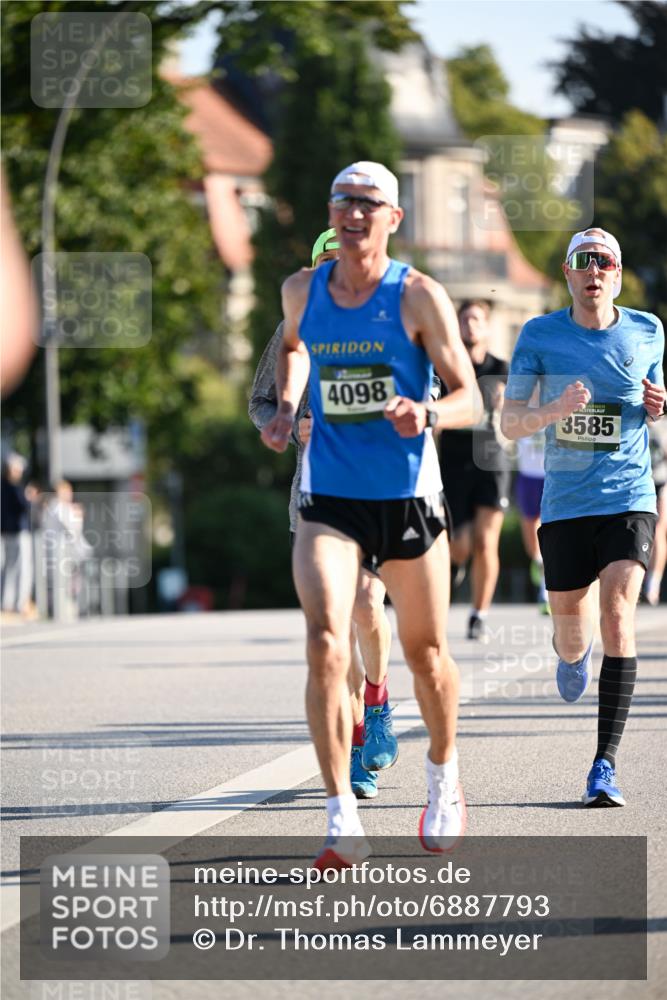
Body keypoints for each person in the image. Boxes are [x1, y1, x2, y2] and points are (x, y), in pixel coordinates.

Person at [260, 161, 479, 868]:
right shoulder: (301, 290)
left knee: (425, 654)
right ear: (331, 212)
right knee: (326, 641)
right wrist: (290, 406)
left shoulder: (417, 297)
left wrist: (430, 412)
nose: (352, 213)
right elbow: (294, 350)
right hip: (331, 497)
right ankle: (339, 814)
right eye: (342, 201)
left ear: (393, 218)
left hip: (409, 497)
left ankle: (443, 777)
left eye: (367, 203)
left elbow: (470, 394)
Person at [501, 227, 666, 807]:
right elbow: (510, 423)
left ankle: (605, 764)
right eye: (582, 261)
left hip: (629, 496)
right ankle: (571, 654)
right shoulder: (538, 335)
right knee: (575, 633)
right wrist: (553, 408)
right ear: (567, 274)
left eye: (605, 262)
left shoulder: (648, 330)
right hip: (565, 504)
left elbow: (656, 403)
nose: (594, 271)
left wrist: (657, 408)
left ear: (617, 275)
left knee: (619, 614)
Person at [249, 229, 397, 802]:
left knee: (367, 604)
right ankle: (359, 742)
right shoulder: (293, 331)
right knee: (334, 633)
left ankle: (380, 701)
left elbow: (429, 382)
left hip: (380, 492)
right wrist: (287, 426)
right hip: (314, 498)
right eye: (326, 264)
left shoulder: (391, 324)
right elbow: (261, 401)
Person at [438, 300, 510, 642]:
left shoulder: (502, 368)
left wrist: (503, 402)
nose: (470, 325)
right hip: (453, 459)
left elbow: (518, 411)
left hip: (491, 459)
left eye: (476, 319)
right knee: (459, 544)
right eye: (464, 319)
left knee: (485, 541)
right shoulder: (448, 367)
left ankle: (478, 614)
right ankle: (457, 566)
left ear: (486, 326)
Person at [515, 392, 549, 614]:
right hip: (528, 476)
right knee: (531, 535)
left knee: (552, 531)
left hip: (552, 476)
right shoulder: (518, 402)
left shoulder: (557, 396)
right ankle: (539, 563)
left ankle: (546, 591)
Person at [0, 453, 33, 615]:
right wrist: (30, 497)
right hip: (18, 531)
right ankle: (20, 603)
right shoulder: (14, 487)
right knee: (21, 567)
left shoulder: (3, 486)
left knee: (8, 567)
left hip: (5, 531)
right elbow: (24, 506)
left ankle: (6, 602)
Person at [643, 419, 667, 605]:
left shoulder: (663, 426)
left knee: (658, 530)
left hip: (661, 481)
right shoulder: (632, 418)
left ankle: (653, 583)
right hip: (639, 481)